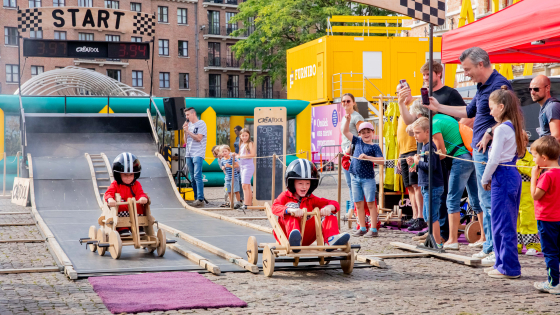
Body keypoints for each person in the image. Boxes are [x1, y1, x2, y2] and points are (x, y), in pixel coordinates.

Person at [426, 47, 512, 265]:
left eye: (467, 69)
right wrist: (439, 106)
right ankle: (489, 245)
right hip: (478, 151)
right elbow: (468, 112)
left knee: (490, 202)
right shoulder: (482, 86)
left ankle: (494, 249)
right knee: (484, 202)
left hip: (489, 152)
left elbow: (510, 118)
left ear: (480, 64)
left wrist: (490, 132)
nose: (466, 73)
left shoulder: (500, 85)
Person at [409, 101, 483, 249]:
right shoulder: (442, 117)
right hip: (469, 156)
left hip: (460, 159)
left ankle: (452, 240)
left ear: (421, 115)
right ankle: (484, 237)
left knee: (452, 200)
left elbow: (440, 153)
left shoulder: (433, 124)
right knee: (475, 198)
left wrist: (420, 159)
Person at [480, 86, 524, 278]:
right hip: (510, 174)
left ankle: (508, 267)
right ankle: (501, 263)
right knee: (503, 221)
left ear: (501, 106)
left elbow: (494, 158)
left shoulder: (502, 129)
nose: (490, 112)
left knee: (503, 223)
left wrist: (485, 177)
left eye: (491, 108)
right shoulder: (512, 127)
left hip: (503, 175)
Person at [272, 158, 350, 252]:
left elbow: (334, 203)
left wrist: (328, 208)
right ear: (292, 183)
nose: (304, 187)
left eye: (307, 183)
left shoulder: (311, 198)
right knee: (291, 206)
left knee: (329, 211)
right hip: (286, 237)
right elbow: (274, 207)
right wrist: (290, 210)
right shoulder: (285, 196)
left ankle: (331, 239)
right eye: (300, 183)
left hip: (306, 236)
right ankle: (294, 237)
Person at [342, 117, 384, 238]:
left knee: (371, 204)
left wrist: (367, 157)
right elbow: (345, 132)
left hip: (368, 179)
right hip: (355, 178)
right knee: (358, 204)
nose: (366, 134)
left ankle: (374, 229)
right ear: (360, 134)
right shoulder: (357, 141)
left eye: (368, 132)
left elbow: (381, 161)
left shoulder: (375, 147)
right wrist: (348, 120)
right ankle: (362, 227)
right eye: (363, 132)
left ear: (373, 133)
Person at [530, 136, 560, 294]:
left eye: (534, 156)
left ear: (544, 158)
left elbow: (535, 195)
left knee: (550, 252)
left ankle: (554, 283)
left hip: (547, 219)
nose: (533, 159)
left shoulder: (547, 176)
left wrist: (534, 176)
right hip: (558, 218)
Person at [408, 117, 444, 246]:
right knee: (427, 214)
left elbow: (431, 166)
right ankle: (432, 239)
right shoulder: (424, 146)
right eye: (414, 133)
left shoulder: (430, 147)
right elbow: (424, 165)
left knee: (432, 216)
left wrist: (419, 162)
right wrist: (415, 164)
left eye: (417, 132)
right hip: (426, 185)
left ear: (427, 132)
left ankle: (437, 242)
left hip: (433, 186)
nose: (415, 136)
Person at [396, 84, 425, 231]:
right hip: (404, 152)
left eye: (402, 91)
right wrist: (399, 156)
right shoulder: (402, 109)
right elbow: (399, 137)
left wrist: (416, 154)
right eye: (398, 92)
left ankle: (420, 216)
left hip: (414, 150)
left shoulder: (415, 106)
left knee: (416, 185)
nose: (400, 95)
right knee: (410, 187)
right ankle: (415, 216)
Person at [105, 152, 149, 237]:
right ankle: (122, 227)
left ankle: (139, 226)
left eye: (131, 175)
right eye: (125, 175)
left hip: (134, 210)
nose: (128, 177)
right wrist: (110, 199)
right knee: (121, 205)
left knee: (139, 205)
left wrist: (142, 198)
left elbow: (140, 193)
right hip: (121, 209)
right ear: (118, 175)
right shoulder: (115, 184)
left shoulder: (136, 184)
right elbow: (108, 193)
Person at [516, 132, 541, 256]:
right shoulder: (510, 158)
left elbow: (535, 173)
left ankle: (533, 245)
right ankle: (516, 245)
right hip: (514, 197)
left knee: (528, 221)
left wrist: (520, 165)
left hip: (527, 199)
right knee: (515, 221)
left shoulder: (531, 158)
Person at [339, 93, 364, 213]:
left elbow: (363, 135)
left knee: (355, 183)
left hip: (354, 153)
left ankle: (356, 209)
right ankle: (354, 208)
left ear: (353, 102)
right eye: (343, 101)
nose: (346, 103)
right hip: (346, 154)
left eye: (348, 101)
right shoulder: (345, 117)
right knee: (350, 183)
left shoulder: (356, 117)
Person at [183, 107, 207, 208]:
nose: (186, 117)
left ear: (193, 114)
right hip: (189, 153)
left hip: (198, 153)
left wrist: (188, 132)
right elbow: (185, 141)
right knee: (192, 177)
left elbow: (199, 138)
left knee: (197, 176)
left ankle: (200, 199)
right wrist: (185, 131)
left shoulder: (201, 123)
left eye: (188, 115)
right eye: (186, 115)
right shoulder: (189, 125)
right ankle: (196, 198)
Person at [530, 75, 560, 142]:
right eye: (530, 89)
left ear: (547, 88)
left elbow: (556, 138)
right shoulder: (545, 107)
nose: (532, 92)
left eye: (536, 89)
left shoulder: (552, 106)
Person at [238, 128, 255, 208]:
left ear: (249, 136)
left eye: (246, 135)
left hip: (248, 166)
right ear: (240, 136)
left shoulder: (250, 143)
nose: (244, 137)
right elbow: (239, 155)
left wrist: (241, 156)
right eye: (243, 135)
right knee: (247, 185)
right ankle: (248, 204)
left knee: (244, 185)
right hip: (242, 166)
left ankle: (246, 203)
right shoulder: (241, 144)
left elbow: (252, 155)